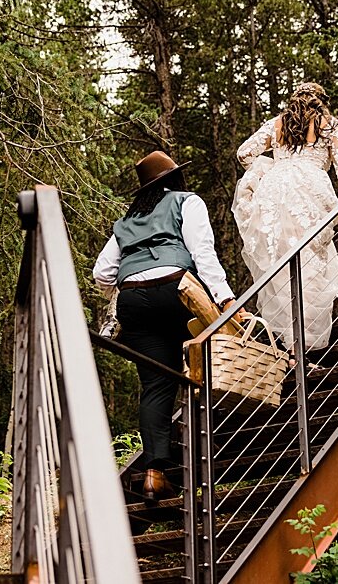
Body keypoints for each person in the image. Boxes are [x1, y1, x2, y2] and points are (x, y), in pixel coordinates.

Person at [93, 150, 233, 501]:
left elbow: (101, 273)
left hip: (134, 302)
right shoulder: (188, 202)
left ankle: (154, 475)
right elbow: (203, 252)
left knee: (156, 385)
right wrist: (226, 299)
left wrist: (136, 269)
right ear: (175, 178)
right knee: (209, 367)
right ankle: (211, 454)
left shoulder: (128, 219)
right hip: (177, 290)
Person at [234, 82, 338, 356]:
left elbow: (244, 153)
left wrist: (268, 168)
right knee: (312, 264)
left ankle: (292, 348)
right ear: (322, 101)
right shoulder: (329, 125)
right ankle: (303, 349)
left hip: (275, 193)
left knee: (282, 267)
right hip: (309, 191)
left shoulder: (277, 124)